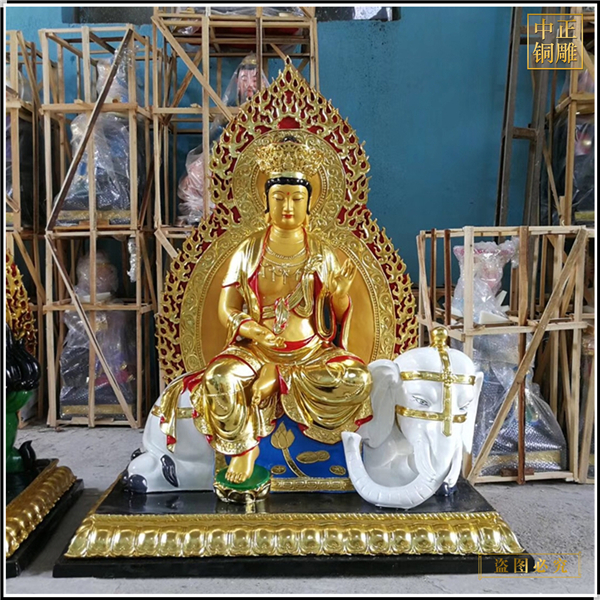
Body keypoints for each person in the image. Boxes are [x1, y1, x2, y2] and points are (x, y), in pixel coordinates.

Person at [159, 136, 373, 484]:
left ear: (310, 203)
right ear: (265, 201)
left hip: (310, 353)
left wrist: (338, 296)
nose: (288, 206)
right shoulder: (247, 250)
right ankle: (244, 449)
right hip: (256, 352)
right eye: (279, 197)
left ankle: (280, 378)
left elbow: (333, 319)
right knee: (219, 379)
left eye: (296, 198)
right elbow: (227, 309)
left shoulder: (323, 252)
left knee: (358, 378)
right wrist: (254, 330)